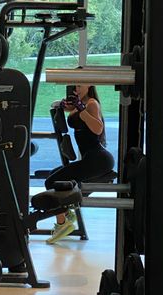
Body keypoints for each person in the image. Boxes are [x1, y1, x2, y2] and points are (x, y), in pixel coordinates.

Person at [45, 85, 115, 244]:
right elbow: (70, 113)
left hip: (99, 159)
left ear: (89, 85)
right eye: (75, 83)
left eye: (80, 84)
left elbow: (97, 129)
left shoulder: (91, 103)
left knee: (51, 182)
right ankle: (68, 214)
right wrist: (63, 105)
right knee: (52, 177)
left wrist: (81, 109)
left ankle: (62, 224)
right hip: (89, 158)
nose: (77, 86)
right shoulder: (79, 104)